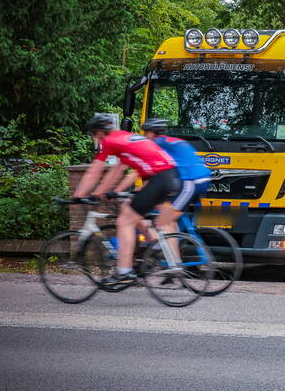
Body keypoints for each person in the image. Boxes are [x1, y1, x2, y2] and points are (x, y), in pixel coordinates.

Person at [72, 113, 180, 288]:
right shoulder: (124, 137)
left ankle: (123, 272)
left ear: (99, 133)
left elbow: (94, 171)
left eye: (93, 135)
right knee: (128, 207)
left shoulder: (109, 142)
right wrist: (105, 191)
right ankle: (157, 246)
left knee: (124, 221)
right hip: (168, 177)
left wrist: (78, 196)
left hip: (159, 179)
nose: (95, 139)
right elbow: (117, 170)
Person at [141, 118, 212, 212]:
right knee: (164, 207)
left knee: (165, 218)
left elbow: (151, 170)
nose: (145, 136)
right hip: (202, 178)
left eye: (146, 133)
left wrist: (143, 190)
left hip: (191, 181)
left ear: (152, 133)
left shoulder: (157, 144)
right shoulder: (171, 141)